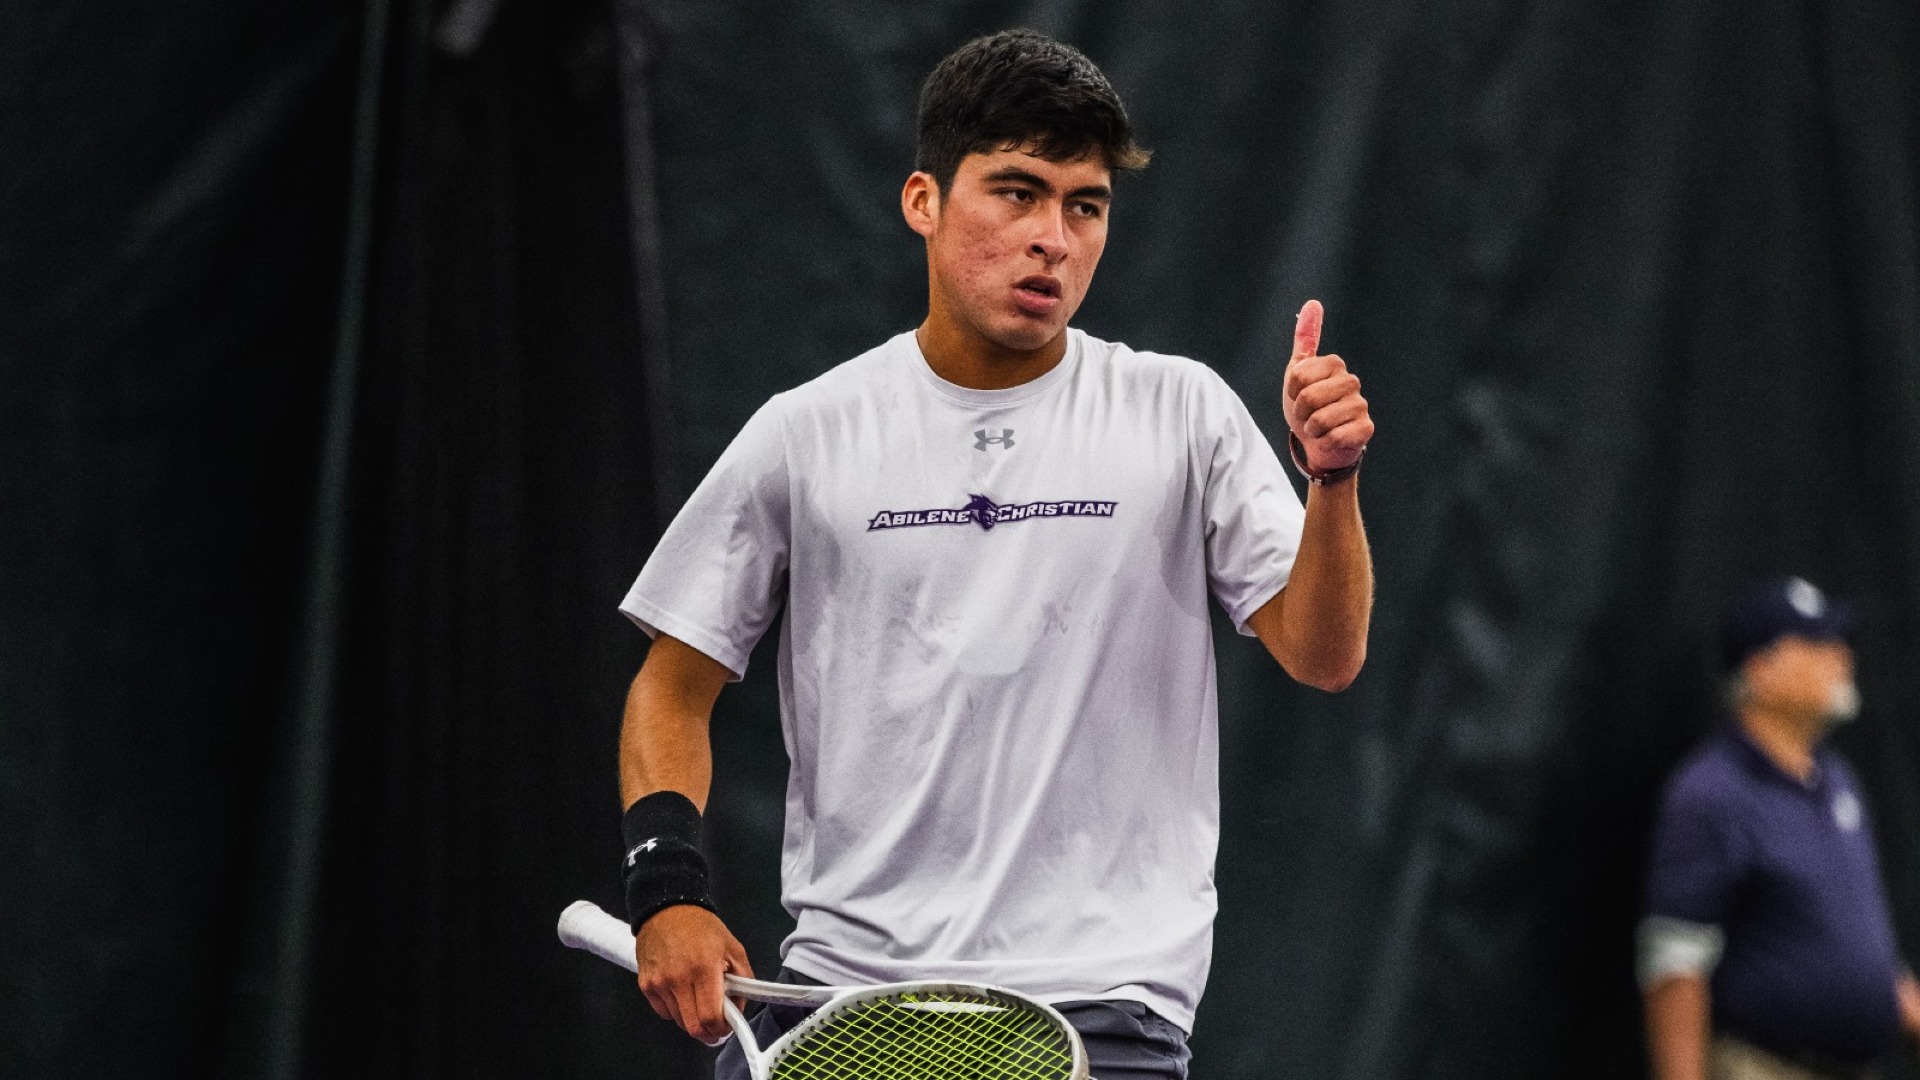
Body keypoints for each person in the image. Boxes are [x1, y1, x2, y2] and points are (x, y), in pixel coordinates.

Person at [614, 29, 1374, 1079]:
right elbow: (671, 684)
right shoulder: (808, 431)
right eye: (1015, 194)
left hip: (1100, 1013)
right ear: (923, 201)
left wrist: (1331, 484)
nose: (1052, 238)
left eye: (1084, 206)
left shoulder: (1182, 412)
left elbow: (1324, 654)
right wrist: (668, 888)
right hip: (842, 1005)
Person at [1640, 577, 1920, 1080]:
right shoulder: (1711, 793)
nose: (1841, 656)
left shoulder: (1836, 779)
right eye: (1816, 644)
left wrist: (1898, 1005)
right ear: (1760, 671)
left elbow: (1846, 936)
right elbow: (1674, 968)